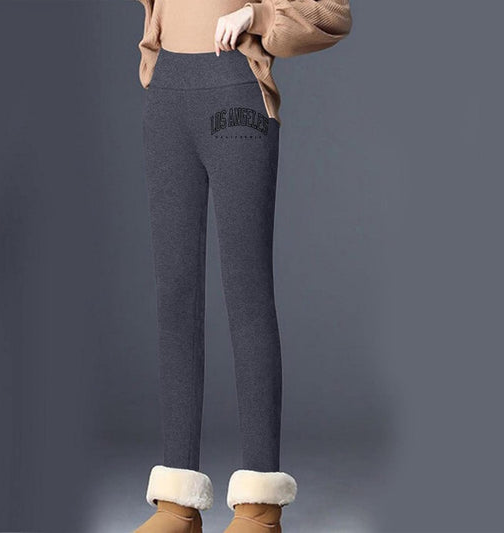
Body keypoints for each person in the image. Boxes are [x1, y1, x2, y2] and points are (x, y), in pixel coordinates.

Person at [133, 1, 352, 531]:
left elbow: (333, 13)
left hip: (234, 87)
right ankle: (176, 503)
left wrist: (256, 15)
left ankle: (260, 506)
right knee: (175, 298)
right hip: (167, 94)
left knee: (246, 292)